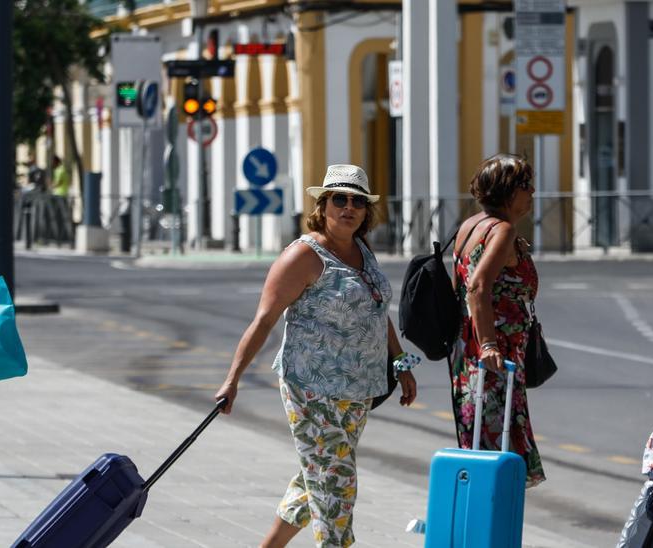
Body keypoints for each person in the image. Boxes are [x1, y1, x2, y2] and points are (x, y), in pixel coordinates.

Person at [215, 164, 419, 548]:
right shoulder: (304, 256)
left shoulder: (361, 249)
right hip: (311, 389)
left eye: (357, 201)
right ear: (322, 205)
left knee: (317, 476)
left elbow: (375, 313)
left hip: (358, 390)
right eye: (339, 199)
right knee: (337, 485)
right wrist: (233, 379)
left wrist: (400, 362)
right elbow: (263, 321)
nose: (349, 207)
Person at [450, 154, 545, 487]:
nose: (533, 191)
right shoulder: (500, 231)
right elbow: (477, 285)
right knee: (495, 452)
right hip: (494, 358)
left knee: (479, 446)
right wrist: (489, 343)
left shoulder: (470, 226)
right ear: (507, 191)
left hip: (470, 354)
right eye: (525, 185)